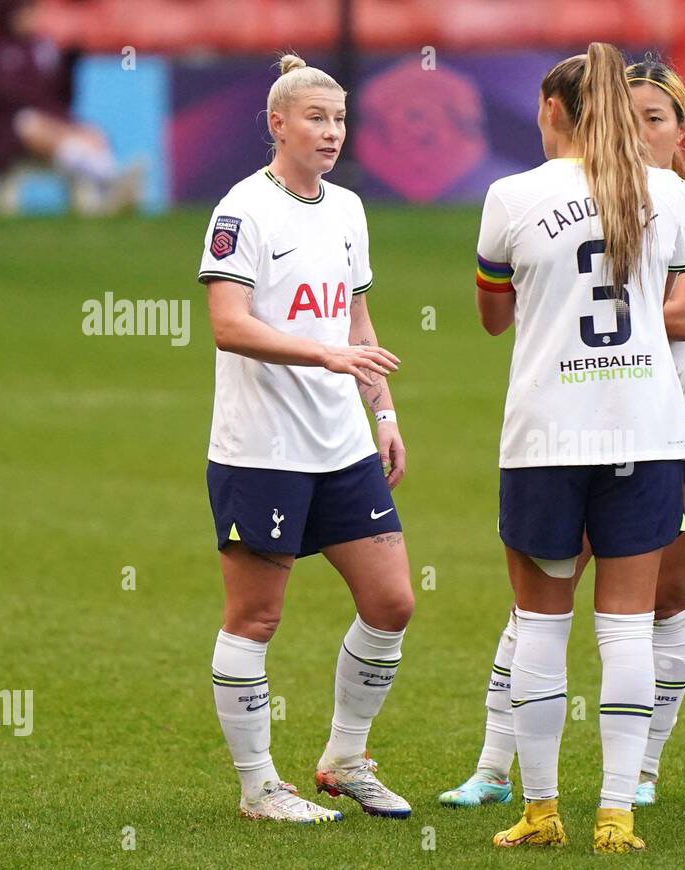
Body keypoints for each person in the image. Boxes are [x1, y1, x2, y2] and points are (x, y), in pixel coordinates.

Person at [441, 54, 685, 812]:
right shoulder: (663, 199)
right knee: (619, 619)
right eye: (627, 115)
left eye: (655, 118)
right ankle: (598, 800)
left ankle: (578, 793)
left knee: (580, 607)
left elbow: (495, 314)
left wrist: (556, 305)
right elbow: (683, 311)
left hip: (604, 425)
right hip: (648, 424)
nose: (639, 131)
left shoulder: (516, 195)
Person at [199, 55, 414, 824]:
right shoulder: (241, 210)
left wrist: (382, 412)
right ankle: (259, 787)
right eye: (317, 118)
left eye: (340, 119)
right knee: (256, 619)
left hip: (341, 443)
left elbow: (356, 327)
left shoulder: (349, 209)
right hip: (261, 450)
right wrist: (322, 353)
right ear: (277, 124)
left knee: (392, 603)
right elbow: (228, 325)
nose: (331, 133)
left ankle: (345, 758)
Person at [0, 0, 142, 214]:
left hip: (50, 124)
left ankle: (108, 185)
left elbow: (60, 96)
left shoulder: (43, 47)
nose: (30, 17)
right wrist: (53, 122)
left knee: (92, 133)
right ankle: (113, 181)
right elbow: (5, 99)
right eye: (24, 12)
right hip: (6, 132)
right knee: (30, 123)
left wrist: (70, 63)